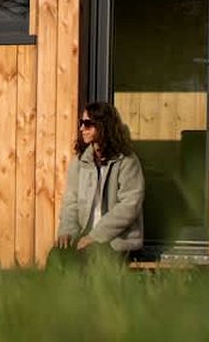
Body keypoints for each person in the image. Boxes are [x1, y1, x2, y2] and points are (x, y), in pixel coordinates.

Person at [48, 100, 145, 267]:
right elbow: (71, 202)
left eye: (87, 124)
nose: (81, 128)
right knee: (56, 256)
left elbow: (130, 205)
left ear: (102, 126)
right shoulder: (80, 162)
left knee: (85, 260)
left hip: (116, 240)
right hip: (84, 238)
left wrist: (95, 236)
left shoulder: (127, 161)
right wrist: (67, 231)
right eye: (81, 123)